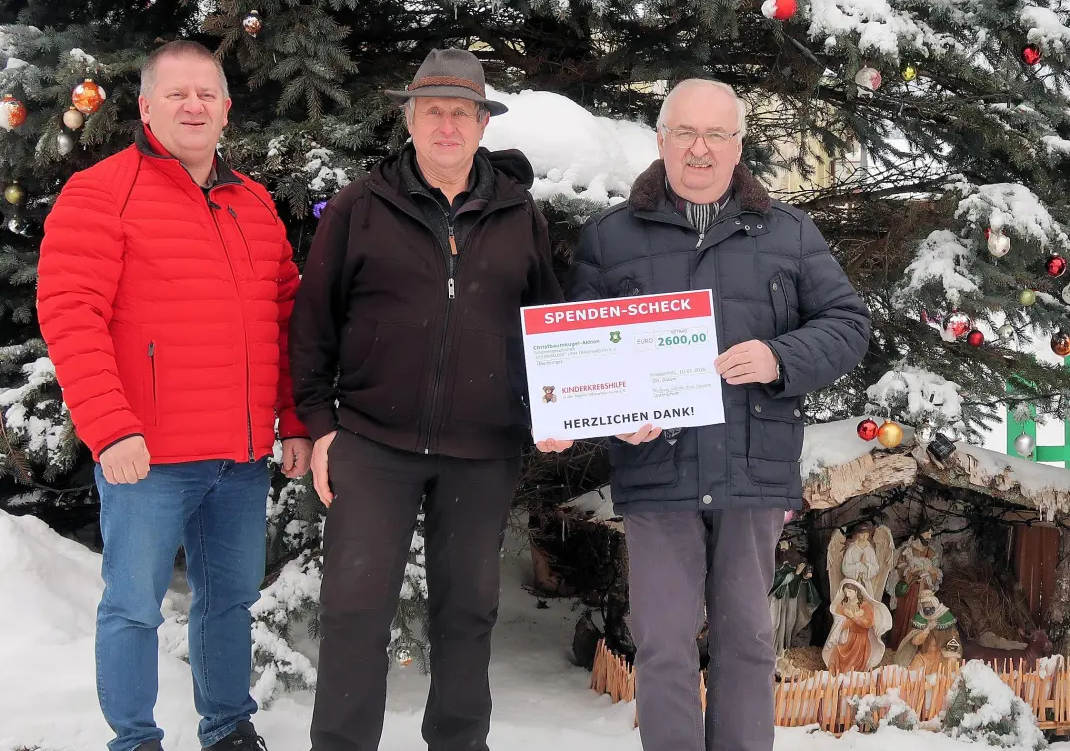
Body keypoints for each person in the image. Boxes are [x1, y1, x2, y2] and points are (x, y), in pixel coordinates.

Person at [565, 78, 870, 751]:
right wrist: (613, 412)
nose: (699, 150)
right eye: (685, 133)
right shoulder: (611, 238)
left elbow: (848, 324)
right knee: (665, 645)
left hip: (750, 470)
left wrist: (778, 356)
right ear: (661, 140)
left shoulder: (788, 234)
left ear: (738, 146)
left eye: (716, 135)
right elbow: (578, 354)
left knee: (747, 642)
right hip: (657, 471)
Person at [290, 48, 569, 751]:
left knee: (467, 612)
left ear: (481, 124)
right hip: (374, 444)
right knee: (354, 610)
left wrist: (555, 414)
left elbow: (548, 325)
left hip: (482, 450)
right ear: (409, 119)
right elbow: (314, 322)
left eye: (461, 113)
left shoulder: (517, 212)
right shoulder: (360, 204)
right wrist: (321, 426)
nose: (447, 126)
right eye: (432, 111)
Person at [38, 40, 311, 751]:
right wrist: (110, 428)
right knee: (133, 608)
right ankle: (135, 740)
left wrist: (295, 421)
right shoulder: (101, 193)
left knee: (229, 603)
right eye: (177, 94)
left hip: (241, 458)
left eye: (207, 94)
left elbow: (284, 319)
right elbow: (71, 314)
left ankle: (228, 727)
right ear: (147, 107)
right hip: (148, 457)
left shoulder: (252, 203)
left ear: (225, 110)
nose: (193, 105)